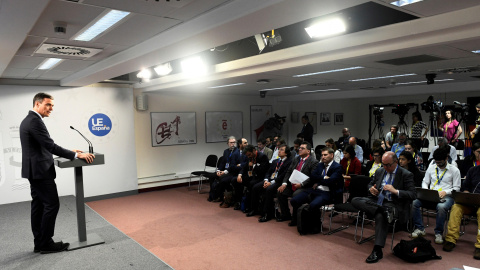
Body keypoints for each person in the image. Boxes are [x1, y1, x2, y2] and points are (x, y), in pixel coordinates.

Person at [20, 92, 95, 254]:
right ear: (37, 104)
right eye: (48, 105)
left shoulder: (29, 120)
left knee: (38, 206)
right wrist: (76, 155)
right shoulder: (34, 121)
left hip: (34, 171)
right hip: (40, 172)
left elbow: (41, 148)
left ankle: (39, 242)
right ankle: (46, 243)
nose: (51, 108)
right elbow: (49, 145)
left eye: (52, 105)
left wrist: (68, 151)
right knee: (51, 204)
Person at [351, 152, 416, 264]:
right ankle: (383, 210)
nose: (385, 167)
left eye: (388, 165)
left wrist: (395, 191)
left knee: (381, 216)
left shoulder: (406, 174)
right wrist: (371, 189)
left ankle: (377, 249)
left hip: (392, 203)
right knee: (355, 200)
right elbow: (370, 184)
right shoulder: (380, 171)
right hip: (377, 201)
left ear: (396, 162)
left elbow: (413, 194)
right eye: (383, 165)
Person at [411, 147, 461, 244]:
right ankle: (420, 228)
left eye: (440, 162)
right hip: (431, 195)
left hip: (446, 196)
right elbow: (425, 182)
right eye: (436, 162)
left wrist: (446, 192)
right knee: (414, 203)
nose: (438, 164)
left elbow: (457, 188)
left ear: (446, 159)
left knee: (441, 207)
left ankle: (438, 233)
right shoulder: (431, 167)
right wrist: (426, 190)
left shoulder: (454, 170)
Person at [289, 147, 343, 231]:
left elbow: (331, 181)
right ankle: (301, 221)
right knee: (294, 200)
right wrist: (324, 177)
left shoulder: (337, 167)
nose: (323, 157)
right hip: (315, 189)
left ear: (332, 155)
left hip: (328, 192)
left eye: (325, 155)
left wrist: (319, 180)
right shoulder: (320, 165)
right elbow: (313, 176)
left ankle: (315, 225)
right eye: (322, 155)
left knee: (313, 205)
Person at [443, 165, 480, 260]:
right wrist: (466, 192)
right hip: (470, 202)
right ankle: (450, 239)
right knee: (456, 207)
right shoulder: (473, 170)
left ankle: (479, 246)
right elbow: (465, 186)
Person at [276, 142, 318, 223]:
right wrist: (284, 184)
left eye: (302, 148)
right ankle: (286, 214)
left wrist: (302, 184)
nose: (300, 149)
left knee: (296, 195)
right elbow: (288, 172)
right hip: (293, 184)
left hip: (305, 186)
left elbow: (313, 177)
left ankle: (295, 218)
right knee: (280, 191)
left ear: (308, 151)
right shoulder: (296, 159)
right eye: (299, 148)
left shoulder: (313, 161)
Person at [253, 144, 292, 222]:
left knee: (268, 190)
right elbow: (268, 172)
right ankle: (256, 209)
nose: (279, 151)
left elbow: (283, 175)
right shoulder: (275, 161)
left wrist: (271, 183)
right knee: (256, 187)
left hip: (279, 182)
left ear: (286, 153)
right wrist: (266, 180)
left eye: (281, 150)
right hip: (270, 180)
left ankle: (267, 214)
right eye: (279, 149)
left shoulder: (289, 162)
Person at [237, 144, 270, 215]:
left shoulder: (262, 156)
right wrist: (240, 175)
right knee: (237, 181)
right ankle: (241, 203)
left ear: (254, 151)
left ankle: (254, 208)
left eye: (249, 155)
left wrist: (253, 166)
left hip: (262, 177)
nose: (248, 157)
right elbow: (245, 167)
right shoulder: (250, 157)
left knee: (252, 185)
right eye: (247, 156)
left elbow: (263, 170)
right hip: (253, 176)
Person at [210, 136, 241, 206]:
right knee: (212, 176)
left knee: (222, 179)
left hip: (233, 171)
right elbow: (223, 162)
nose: (232, 144)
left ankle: (222, 197)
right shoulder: (226, 151)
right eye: (231, 143)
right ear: (228, 143)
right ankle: (213, 195)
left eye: (234, 142)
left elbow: (234, 165)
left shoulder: (237, 152)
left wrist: (224, 172)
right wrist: (218, 170)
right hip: (225, 170)